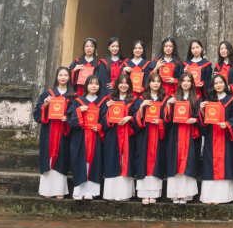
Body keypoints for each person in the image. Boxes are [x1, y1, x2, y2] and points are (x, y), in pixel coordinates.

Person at [199, 73, 233, 204]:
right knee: (210, 164)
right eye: (216, 83)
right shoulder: (209, 101)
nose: (219, 85)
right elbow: (203, 122)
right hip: (211, 137)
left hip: (225, 137)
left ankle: (223, 197)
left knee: (225, 164)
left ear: (225, 84)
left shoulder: (232, 100)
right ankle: (209, 196)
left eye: (221, 82)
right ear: (212, 86)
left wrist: (227, 124)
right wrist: (202, 111)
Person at [33, 66, 73, 198]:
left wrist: (67, 119)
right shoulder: (48, 93)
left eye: (65, 75)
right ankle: (47, 191)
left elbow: (75, 114)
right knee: (48, 159)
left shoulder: (72, 96)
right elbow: (37, 113)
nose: (63, 77)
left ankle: (59, 191)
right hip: (49, 131)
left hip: (63, 132)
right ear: (57, 77)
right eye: (61, 75)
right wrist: (45, 104)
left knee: (62, 159)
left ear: (69, 77)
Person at [164, 71, 201, 203]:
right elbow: (166, 119)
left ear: (192, 83)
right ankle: (175, 194)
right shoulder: (173, 97)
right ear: (179, 82)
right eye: (183, 80)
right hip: (175, 134)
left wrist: (195, 120)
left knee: (188, 162)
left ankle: (186, 194)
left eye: (188, 81)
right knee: (175, 162)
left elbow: (200, 116)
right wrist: (168, 105)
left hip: (190, 134)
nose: (186, 83)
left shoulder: (197, 98)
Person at [67, 74, 104, 201]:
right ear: (86, 85)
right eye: (91, 83)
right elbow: (70, 119)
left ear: (99, 86)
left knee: (95, 162)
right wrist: (78, 111)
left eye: (96, 84)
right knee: (79, 161)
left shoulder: (103, 102)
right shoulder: (78, 101)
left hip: (95, 137)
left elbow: (105, 118)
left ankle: (91, 192)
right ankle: (78, 191)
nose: (94, 86)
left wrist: (99, 126)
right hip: (80, 137)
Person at [132, 71, 168, 204]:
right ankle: (143, 194)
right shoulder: (141, 99)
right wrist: (141, 107)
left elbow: (168, 120)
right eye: (153, 81)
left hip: (158, 135)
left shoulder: (164, 100)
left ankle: (154, 194)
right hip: (144, 135)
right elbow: (136, 119)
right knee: (143, 162)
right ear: (149, 83)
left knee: (157, 162)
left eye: (158, 81)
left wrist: (161, 122)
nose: (156, 84)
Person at [100, 73, 136, 201]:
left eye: (126, 83)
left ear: (130, 85)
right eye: (121, 83)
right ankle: (111, 194)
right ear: (116, 84)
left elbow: (138, 117)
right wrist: (107, 108)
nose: (123, 85)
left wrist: (129, 118)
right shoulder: (108, 100)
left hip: (127, 135)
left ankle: (124, 194)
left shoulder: (134, 100)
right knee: (112, 160)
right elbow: (102, 119)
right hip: (113, 135)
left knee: (126, 161)